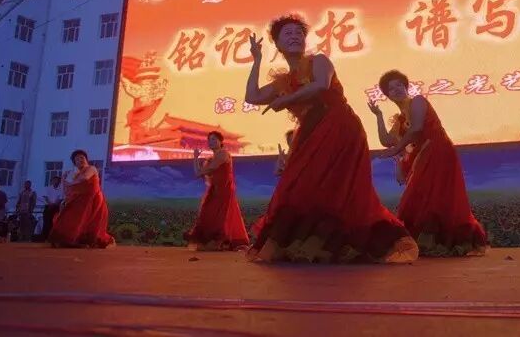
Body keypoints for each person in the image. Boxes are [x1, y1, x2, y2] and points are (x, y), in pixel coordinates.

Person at [244, 14, 418, 263]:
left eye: (298, 33)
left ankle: (338, 243)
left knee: (340, 187)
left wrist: (286, 100)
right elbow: (252, 97)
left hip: (340, 128)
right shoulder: (284, 81)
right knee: (300, 184)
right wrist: (257, 60)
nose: (294, 36)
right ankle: (316, 241)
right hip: (310, 133)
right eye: (287, 33)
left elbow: (321, 86)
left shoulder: (319, 61)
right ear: (278, 44)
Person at [369, 70, 488, 257]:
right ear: (387, 95)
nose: (396, 89)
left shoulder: (417, 101)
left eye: (399, 85)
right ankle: (427, 242)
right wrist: (378, 116)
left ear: (406, 87)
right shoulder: (401, 119)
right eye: (391, 88)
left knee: (435, 195)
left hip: (438, 149)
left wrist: (396, 149)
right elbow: (386, 140)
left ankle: (442, 240)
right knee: (420, 196)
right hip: (424, 155)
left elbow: (416, 128)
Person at [184, 131, 250, 251]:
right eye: (209, 140)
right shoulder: (211, 159)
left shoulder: (223, 154)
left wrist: (203, 168)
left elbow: (209, 169)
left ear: (221, 142)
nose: (211, 142)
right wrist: (195, 158)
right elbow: (198, 173)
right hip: (214, 190)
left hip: (224, 190)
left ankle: (220, 241)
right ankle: (216, 242)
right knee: (207, 214)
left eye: (214, 139)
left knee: (221, 216)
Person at [48, 150, 115, 248]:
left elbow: (85, 178)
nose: (80, 160)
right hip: (79, 200)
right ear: (75, 163)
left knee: (90, 223)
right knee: (70, 219)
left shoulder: (91, 168)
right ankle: (69, 240)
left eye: (82, 158)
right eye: (77, 159)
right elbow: (67, 189)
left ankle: (82, 241)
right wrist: (66, 180)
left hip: (93, 200)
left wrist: (69, 181)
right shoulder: (73, 173)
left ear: (86, 160)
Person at [40, 175, 64, 241]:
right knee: (46, 222)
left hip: (56, 207)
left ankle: (53, 237)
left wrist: (54, 204)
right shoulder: (48, 188)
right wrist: (50, 203)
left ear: (59, 181)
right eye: (54, 180)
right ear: (52, 181)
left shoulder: (61, 190)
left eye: (57, 180)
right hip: (48, 206)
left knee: (54, 222)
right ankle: (44, 237)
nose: (55, 181)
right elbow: (45, 197)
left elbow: (60, 199)